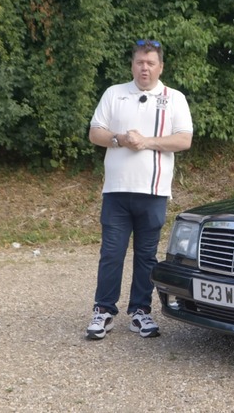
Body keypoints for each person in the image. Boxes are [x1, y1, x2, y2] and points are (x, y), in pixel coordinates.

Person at [86, 39, 193, 339]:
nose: (144, 68)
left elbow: (184, 140)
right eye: (139, 62)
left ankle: (140, 312)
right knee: (112, 253)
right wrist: (120, 139)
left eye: (150, 63)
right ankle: (103, 310)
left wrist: (146, 142)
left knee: (146, 256)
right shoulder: (114, 94)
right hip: (117, 191)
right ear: (132, 64)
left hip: (154, 191)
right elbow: (95, 132)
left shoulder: (174, 98)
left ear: (161, 67)